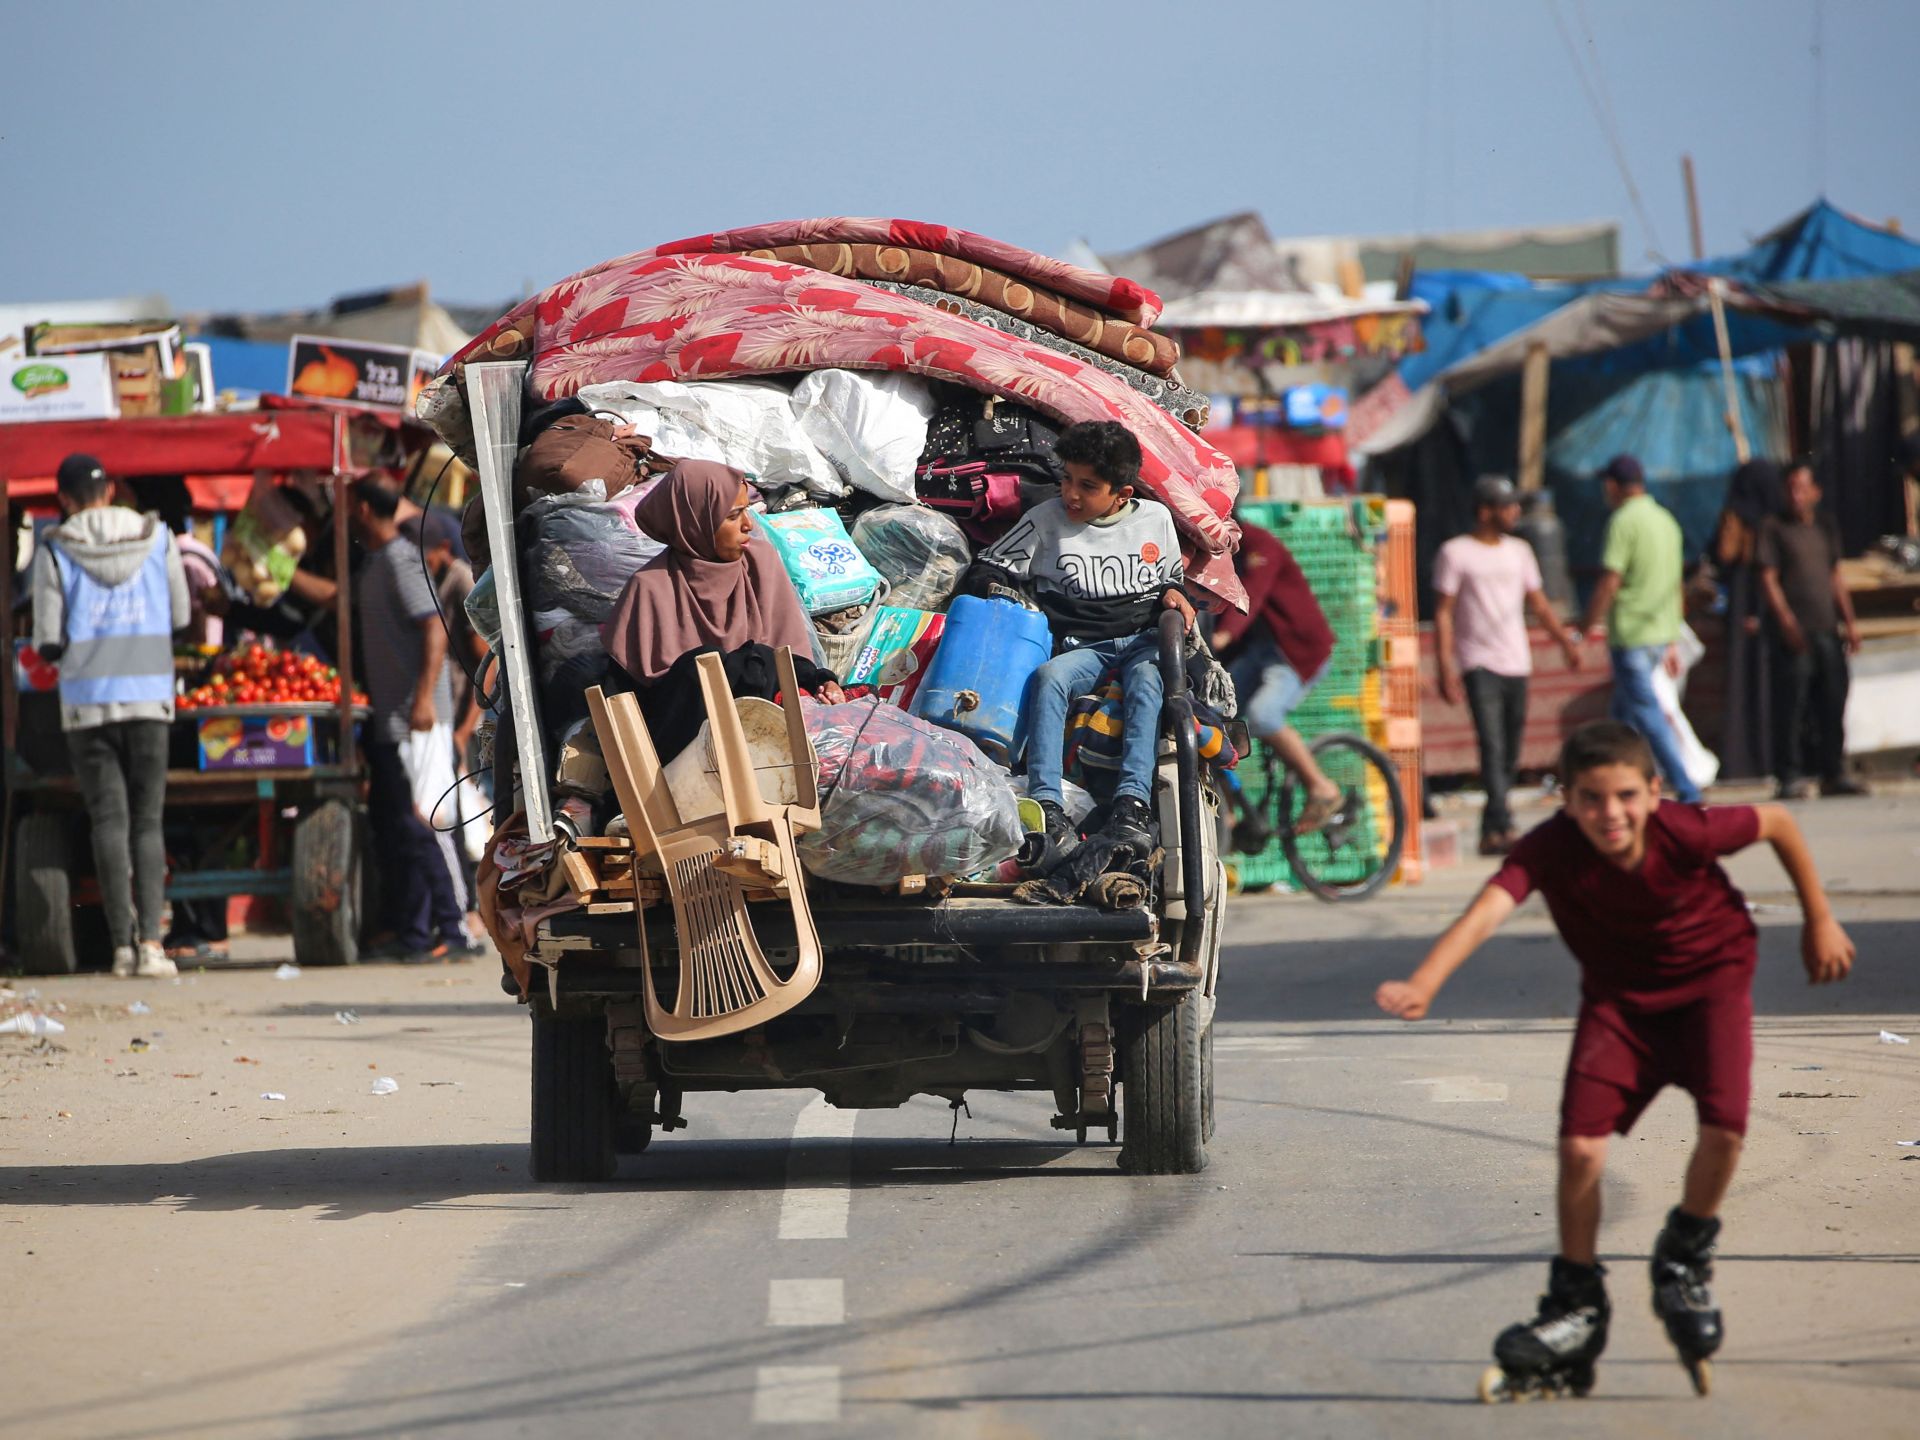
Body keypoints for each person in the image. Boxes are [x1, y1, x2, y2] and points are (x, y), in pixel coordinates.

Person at [1374, 719, 1854, 1397]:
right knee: (1579, 1151)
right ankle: (1575, 1301)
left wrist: (1820, 918)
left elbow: (1777, 821)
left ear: (1654, 792)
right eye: (1592, 799)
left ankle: (1684, 1255)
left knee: (1725, 1131)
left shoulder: (1686, 830)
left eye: (1626, 795)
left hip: (1711, 989)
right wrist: (1425, 982)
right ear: (1565, 799)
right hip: (1620, 1006)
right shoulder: (1550, 849)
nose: (1611, 814)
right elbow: (1489, 907)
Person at [968, 421, 1192, 861]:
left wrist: (1175, 593)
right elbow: (987, 568)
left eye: (1088, 486)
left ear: (1122, 494)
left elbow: (1172, 581)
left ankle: (1132, 804)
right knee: (1049, 677)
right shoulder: (1044, 520)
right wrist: (1001, 591)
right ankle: (1047, 803)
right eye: (1066, 479)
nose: (1071, 494)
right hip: (1080, 646)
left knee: (1147, 686)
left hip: (1142, 639)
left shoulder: (1155, 520)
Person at [29, 454, 189, 978]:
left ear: (65, 501)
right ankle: (151, 946)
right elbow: (183, 616)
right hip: (149, 699)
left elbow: (47, 641)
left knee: (109, 823)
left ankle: (121, 947)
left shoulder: (56, 549)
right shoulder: (158, 536)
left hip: (88, 703)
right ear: (112, 489)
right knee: (147, 823)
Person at [602, 460, 844, 763]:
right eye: (733, 516)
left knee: (758, 662)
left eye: (746, 511)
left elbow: (791, 659)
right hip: (686, 758)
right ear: (694, 523)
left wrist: (823, 681)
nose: (749, 525)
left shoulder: (761, 563)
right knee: (704, 666)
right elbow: (631, 704)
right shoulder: (650, 588)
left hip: (766, 746)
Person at [350, 478, 474, 963]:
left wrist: (423, 699)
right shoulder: (379, 563)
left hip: (419, 717)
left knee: (431, 821)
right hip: (401, 717)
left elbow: (434, 630)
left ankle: (456, 929)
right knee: (411, 823)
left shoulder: (402, 560)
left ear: (362, 509)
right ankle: (424, 933)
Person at [1434, 475, 1582, 855]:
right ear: (1485, 512)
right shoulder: (1456, 552)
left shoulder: (1520, 551)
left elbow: (1539, 604)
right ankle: (1505, 824)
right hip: (1478, 662)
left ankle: (1490, 831)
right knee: (1492, 745)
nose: (1515, 512)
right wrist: (1445, 666)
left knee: (1511, 750)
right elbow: (1444, 613)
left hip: (1516, 660)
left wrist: (1565, 641)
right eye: (1508, 505)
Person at [1578, 454, 1701, 803]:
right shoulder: (1665, 520)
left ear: (1612, 486)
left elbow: (1610, 581)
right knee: (1621, 721)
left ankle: (1686, 787)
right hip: (1659, 633)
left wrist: (1585, 626)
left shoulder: (1623, 521)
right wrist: (1674, 636)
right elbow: (1676, 583)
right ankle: (1615, 783)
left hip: (1632, 635)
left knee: (1647, 715)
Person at [1210, 518, 1343, 838]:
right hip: (1259, 652)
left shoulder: (1260, 545)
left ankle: (1321, 786)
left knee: (1262, 715)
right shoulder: (1211, 552)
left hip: (1294, 653)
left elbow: (1251, 596)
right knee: (1210, 714)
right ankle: (1224, 808)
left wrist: (1222, 637)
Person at [1758, 459, 1865, 800]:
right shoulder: (1774, 528)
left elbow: (1835, 576)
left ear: (1816, 492)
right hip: (1794, 632)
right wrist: (1786, 622)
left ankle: (1833, 771)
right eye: (1790, 488)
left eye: (1802, 488)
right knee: (1791, 705)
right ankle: (1789, 774)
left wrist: (1849, 622)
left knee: (1833, 700)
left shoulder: (1825, 526)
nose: (1796, 495)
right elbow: (1768, 579)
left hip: (1826, 629)